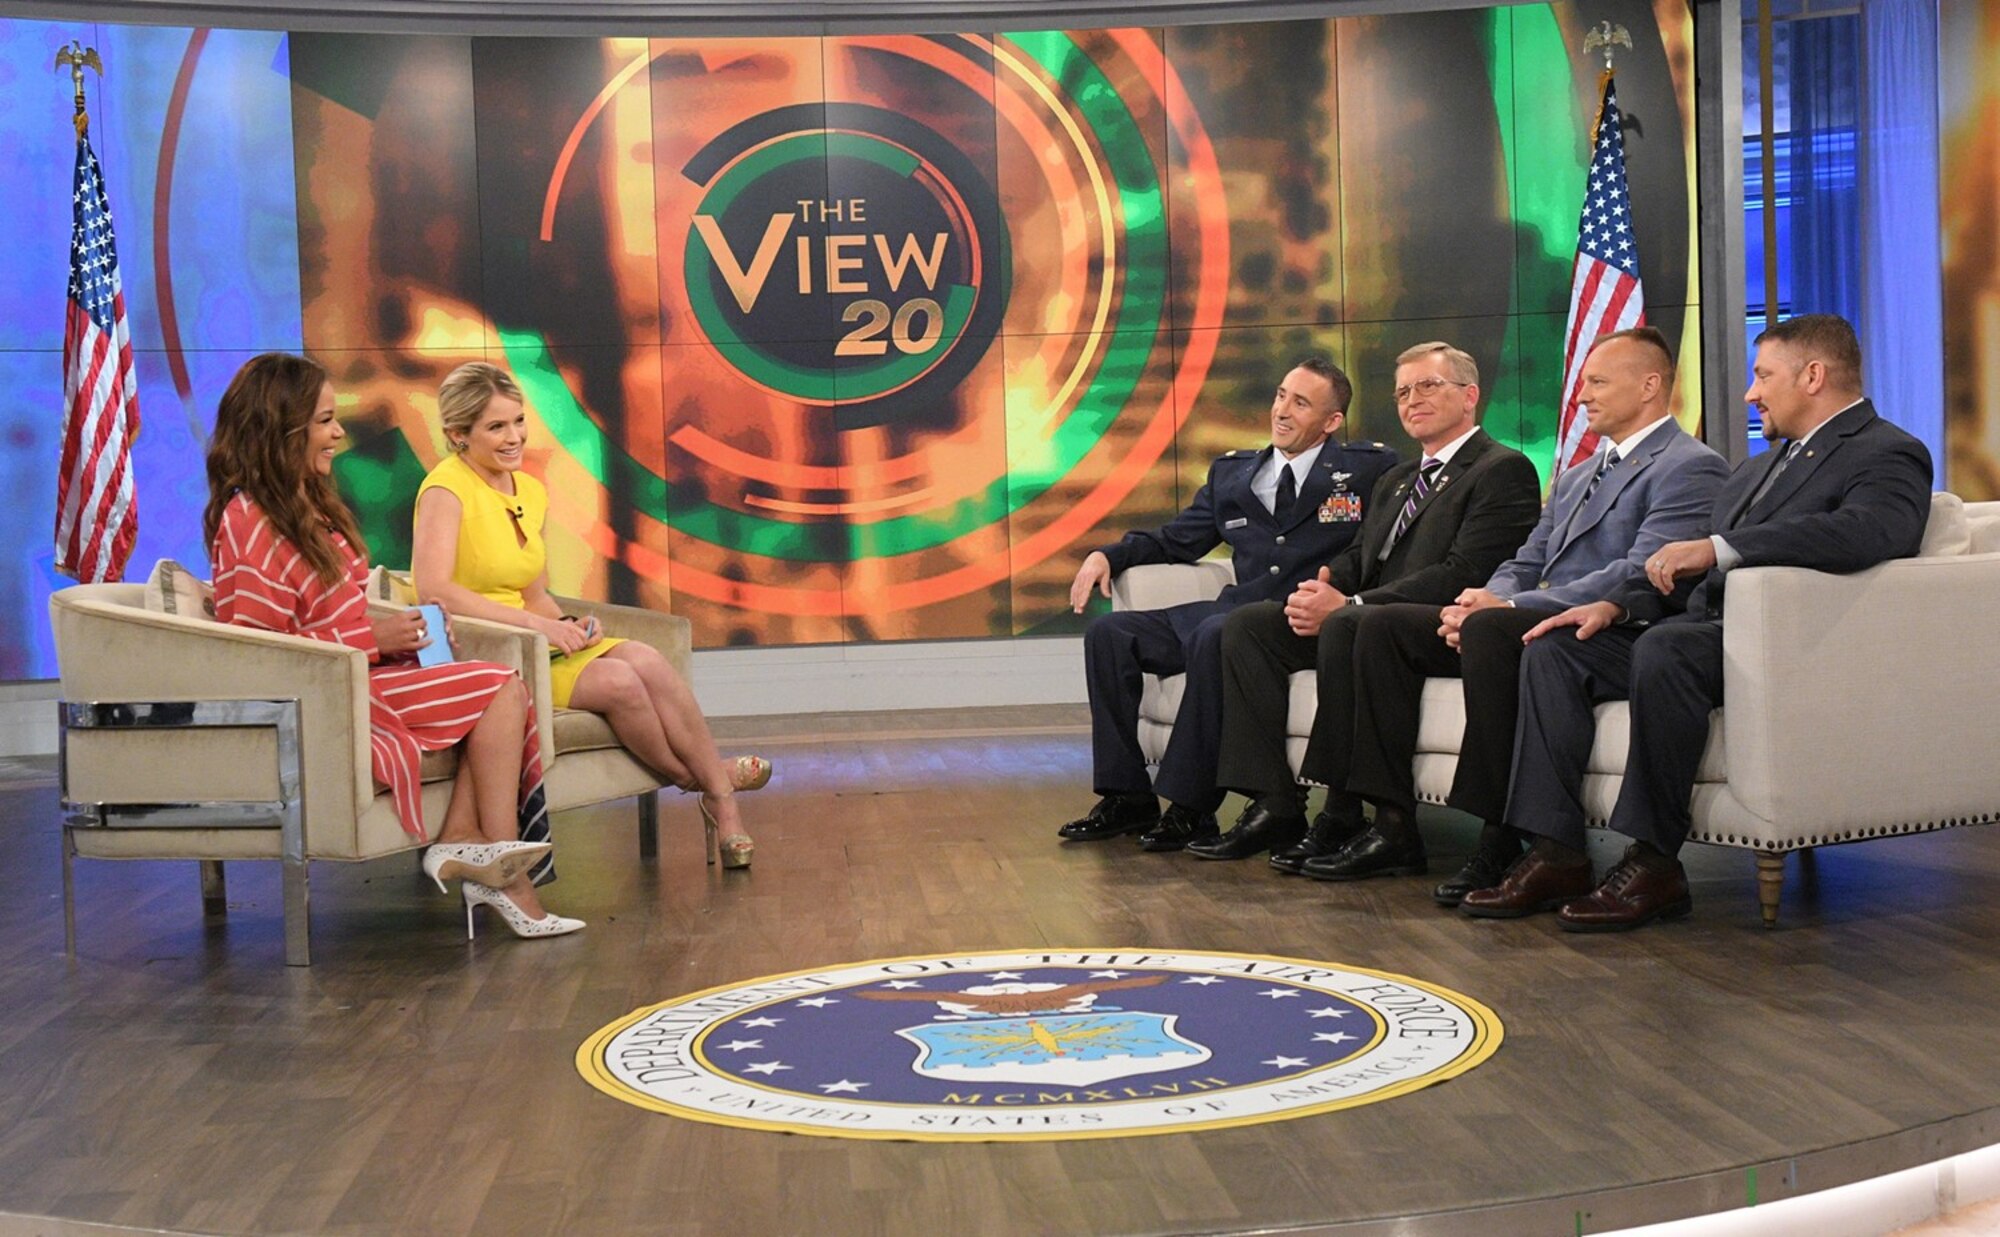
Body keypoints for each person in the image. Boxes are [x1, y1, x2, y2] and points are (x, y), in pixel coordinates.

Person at [1482, 313, 1933, 929]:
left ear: (1813, 376)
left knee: (1667, 650)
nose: (1751, 392)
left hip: (1785, 643)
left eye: (1762, 375)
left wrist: (1723, 548)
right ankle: (1556, 850)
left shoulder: (1888, 450)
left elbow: (1873, 531)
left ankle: (1655, 861)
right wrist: (1618, 604)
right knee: (1560, 646)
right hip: (1702, 630)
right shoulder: (1755, 466)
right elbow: (1685, 575)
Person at [1337, 328, 1728, 896]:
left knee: (1495, 628)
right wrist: (1482, 596)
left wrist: (1509, 604)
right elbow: (1527, 556)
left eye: (1597, 381)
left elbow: (1641, 571)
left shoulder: (1690, 465)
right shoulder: (1574, 476)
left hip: (1620, 623)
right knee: (1383, 625)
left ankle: (1500, 835)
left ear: (1649, 386)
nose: (1582, 395)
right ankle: (1391, 823)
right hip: (1537, 613)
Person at [204, 353, 580, 940]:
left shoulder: (306, 504)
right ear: (283, 428)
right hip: (324, 696)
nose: (338, 434)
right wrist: (372, 637)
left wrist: (409, 635)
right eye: (325, 421)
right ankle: (500, 872)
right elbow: (260, 651)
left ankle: (474, 846)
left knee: (500, 686)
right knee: (500, 689)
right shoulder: (248, 518)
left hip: (360, 673)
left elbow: (335, 612)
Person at [410, 363, 769, 869]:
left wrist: (567, 624)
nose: (514, 437)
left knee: (644, 659)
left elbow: (532, 592)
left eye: (517, 421)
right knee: (620, 683)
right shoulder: (445, 490)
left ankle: (719, 797)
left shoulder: (527, 489)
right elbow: (433, 590)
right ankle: (710, 783)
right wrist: (539, 628)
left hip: (535, 637)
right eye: (496, 427)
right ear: (457, 435)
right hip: (486, 653)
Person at [1200, 341, 1541, 864]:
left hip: (1441, 623)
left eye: (1428, 386)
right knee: (1249, 625)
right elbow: (1361, 554)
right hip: (1369, 618)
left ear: (1470, 395)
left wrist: (1352, 601)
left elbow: (1463, 572)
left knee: (1350, 625)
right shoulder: (1397, 477)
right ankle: (1274, 803)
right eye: (1403, 391)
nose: (1412, 400)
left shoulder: (1501, 469)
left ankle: (1351, 812)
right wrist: (1323, 587)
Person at [1056, 357, 1397, 852]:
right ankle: (1126, 794)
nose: (1281, 410)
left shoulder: (1368, 470)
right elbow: (1178, 540)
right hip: (1228, 609)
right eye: (1281, 395)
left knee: (1218, 634)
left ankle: (1192, 808)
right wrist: (1108, 555)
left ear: (1332, 422)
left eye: (1300, 403)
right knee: (1111, 635)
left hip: (1293, 623)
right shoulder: (1234, 475)